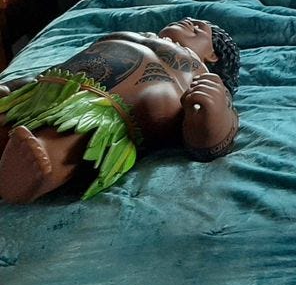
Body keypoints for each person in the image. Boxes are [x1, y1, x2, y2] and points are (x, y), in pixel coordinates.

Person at [0, 18, 240, 203]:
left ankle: (35, 168)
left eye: (199, 28)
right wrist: (20, 85)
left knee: (76, 137)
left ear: (213, 55)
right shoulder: (137, 35)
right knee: (12, 105)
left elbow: (211, 144)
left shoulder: (202, 75)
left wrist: (213, 112)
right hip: (54, 85)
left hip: (115, 110)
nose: (189, 22)